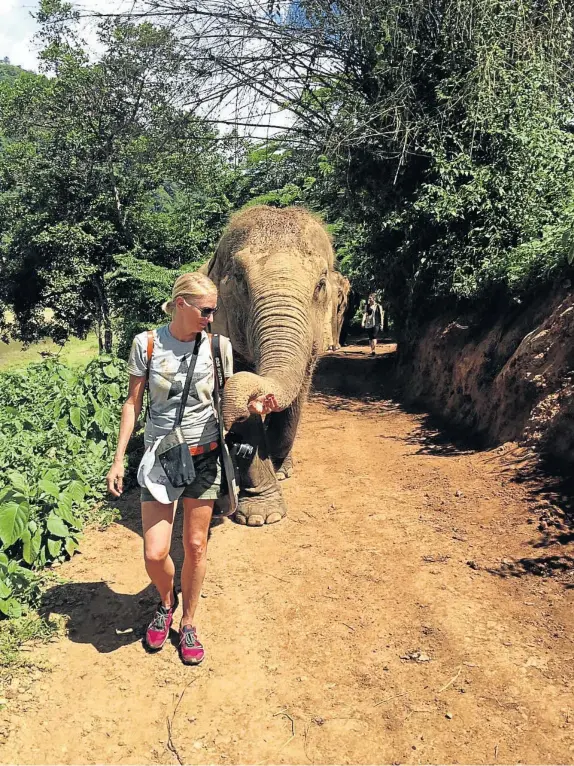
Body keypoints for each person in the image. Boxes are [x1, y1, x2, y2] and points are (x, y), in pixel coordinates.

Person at [106, 273, 278, 665]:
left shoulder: (219, 348)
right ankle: (165, 602)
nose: (210, 317)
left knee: (196, 547)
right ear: (181, 304)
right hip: (161, 458)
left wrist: (254, 410)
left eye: (213, 310)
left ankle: (188, 623)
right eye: (205, 310)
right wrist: (119, 459)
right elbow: (132, 404)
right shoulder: (146, 344)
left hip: (205, 456)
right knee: (155, 552)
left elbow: (230, 400)